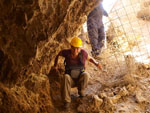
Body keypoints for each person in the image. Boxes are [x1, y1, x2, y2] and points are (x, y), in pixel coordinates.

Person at [53, 37, 102, 109]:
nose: (75, 50)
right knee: (65, 77)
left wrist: (97, 63)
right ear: (71, 47)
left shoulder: (83, 53)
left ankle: (81, 91)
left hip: (80, 79)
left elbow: (90, 58)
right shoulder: (67, 53)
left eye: (77, 48)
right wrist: (55, 65)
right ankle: (66, 101)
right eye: (74, 48)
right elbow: (58, 54)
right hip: (70, 80)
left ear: (80, 48)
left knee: (86, 75)